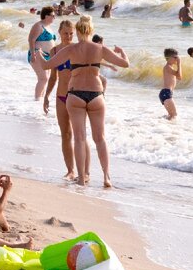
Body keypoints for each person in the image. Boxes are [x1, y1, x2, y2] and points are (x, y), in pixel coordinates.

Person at [45, 15, 130, 188]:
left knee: (79, 138)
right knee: (100, 138)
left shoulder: (71, 49)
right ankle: (106, 177)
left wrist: (37, 53)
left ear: (77, 31)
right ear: (91, 30)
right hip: (96, 95)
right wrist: (122, 52)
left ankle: (82, 178)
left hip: (75, 94)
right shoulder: (100, 48)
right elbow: (125, 64)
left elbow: (45, 66)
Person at [43, 18, 85, 180]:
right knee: (65, 134)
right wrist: (46, 95)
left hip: (77, 96)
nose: (68, 36)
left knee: (79, 135)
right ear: (59, 33)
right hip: (61, 96)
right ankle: (70, 171)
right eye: (65, 33)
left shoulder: (78, 49)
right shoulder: (54, 52)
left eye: (71, 33)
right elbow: (53, 77)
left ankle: (83, 172)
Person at [27, 6, 57, 101]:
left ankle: (40, 99)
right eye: (53, 15)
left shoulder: (49, 27)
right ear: (46, 15)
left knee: (46, 78)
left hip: (48, 57)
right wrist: (33, 54)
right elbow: (31, 40)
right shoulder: (38, 26)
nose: (54, 17)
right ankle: (36, 100)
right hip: (37, 54)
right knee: (43, 78)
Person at [160, 48, 181, 120]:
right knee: (174, 114)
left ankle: (160, 123)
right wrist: (179, 64)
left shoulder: (169, 67)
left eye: (177, 57)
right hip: (166, 93)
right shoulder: (167, 67)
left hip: (165, 93)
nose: (176, 59)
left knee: (171, 115)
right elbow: (179, 76)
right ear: (168, 58)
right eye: (175, 57)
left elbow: (178, 77)